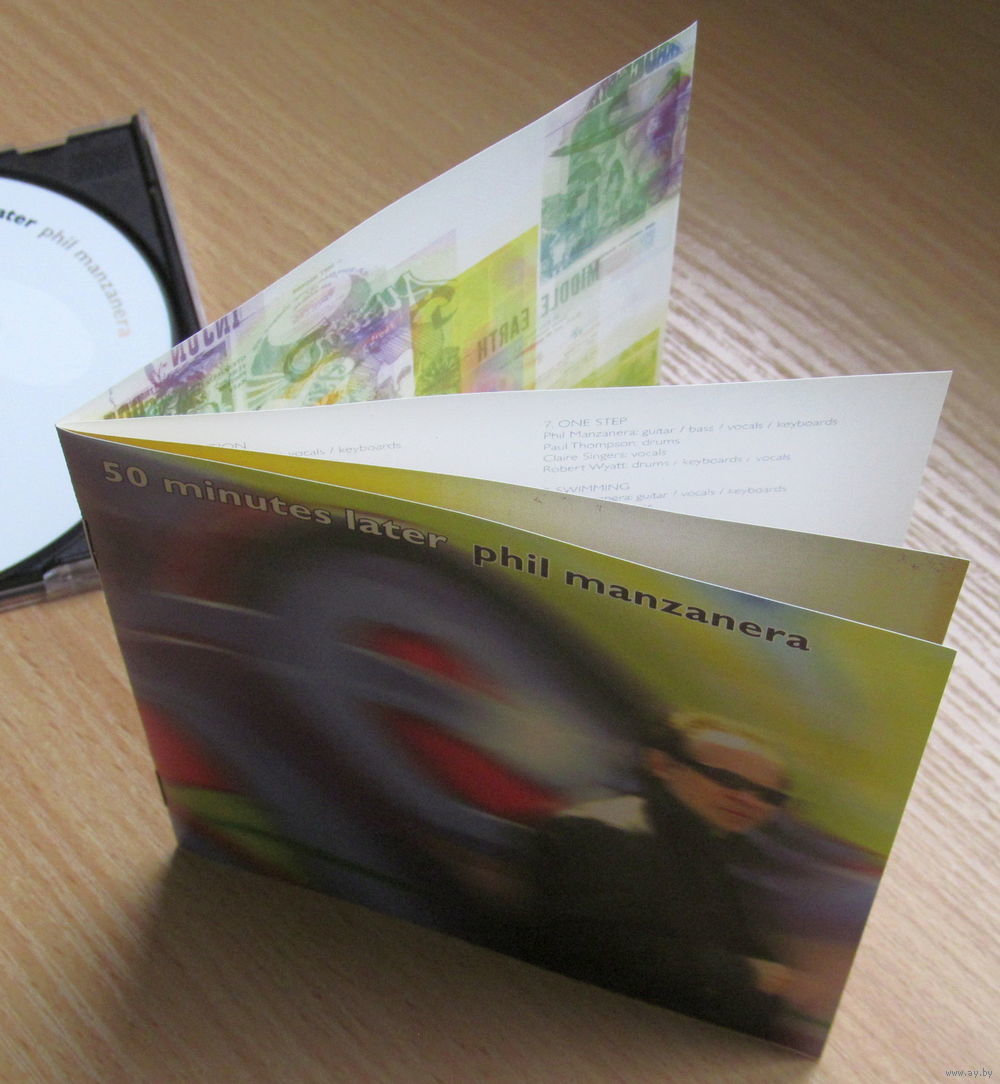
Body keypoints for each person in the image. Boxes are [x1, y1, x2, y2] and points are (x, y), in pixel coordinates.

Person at [528, 711, 792, 1038]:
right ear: (663, 766)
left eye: (769, 796)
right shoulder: (603, 831)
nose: (748, 800)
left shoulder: (707, 848)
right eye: (726, 779)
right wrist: (745, 973)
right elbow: (592, 948)